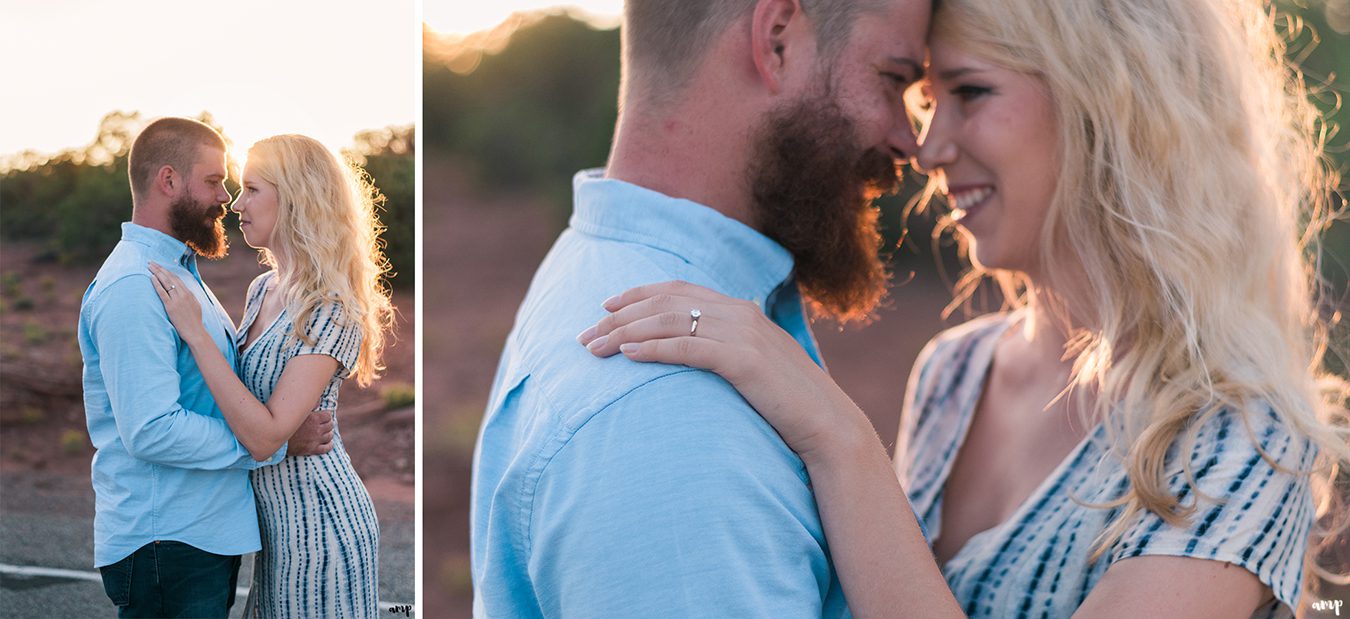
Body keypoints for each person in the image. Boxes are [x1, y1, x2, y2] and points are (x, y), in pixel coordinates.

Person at [581, 0, 1350, 616]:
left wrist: (836, 435)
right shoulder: (955, 371)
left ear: (1112, 104)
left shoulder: (1243, 440)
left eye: (971, 93)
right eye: (922, 100)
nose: (927, 147)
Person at [468, 0, 952, 616]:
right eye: (892, 78)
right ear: (776, 38)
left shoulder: (598, 264)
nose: (910, 141)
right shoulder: (674, 421)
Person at [79, 117, 335, 618]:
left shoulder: (176, 273)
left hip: (195, 536)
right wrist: (274, 444)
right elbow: (152, 430)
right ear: (169, 181)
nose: (227, 197)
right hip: (167, 542)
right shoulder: (133, 286)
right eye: (215, 181)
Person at [149, 133, 395, 618]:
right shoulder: (263, 288)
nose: (237, 204)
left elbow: (263, 436)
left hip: (321, 527)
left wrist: (196, 336)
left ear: (297, 196)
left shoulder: (332, 307)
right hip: (275, 526)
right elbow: (253, 410)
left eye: (253, 189)